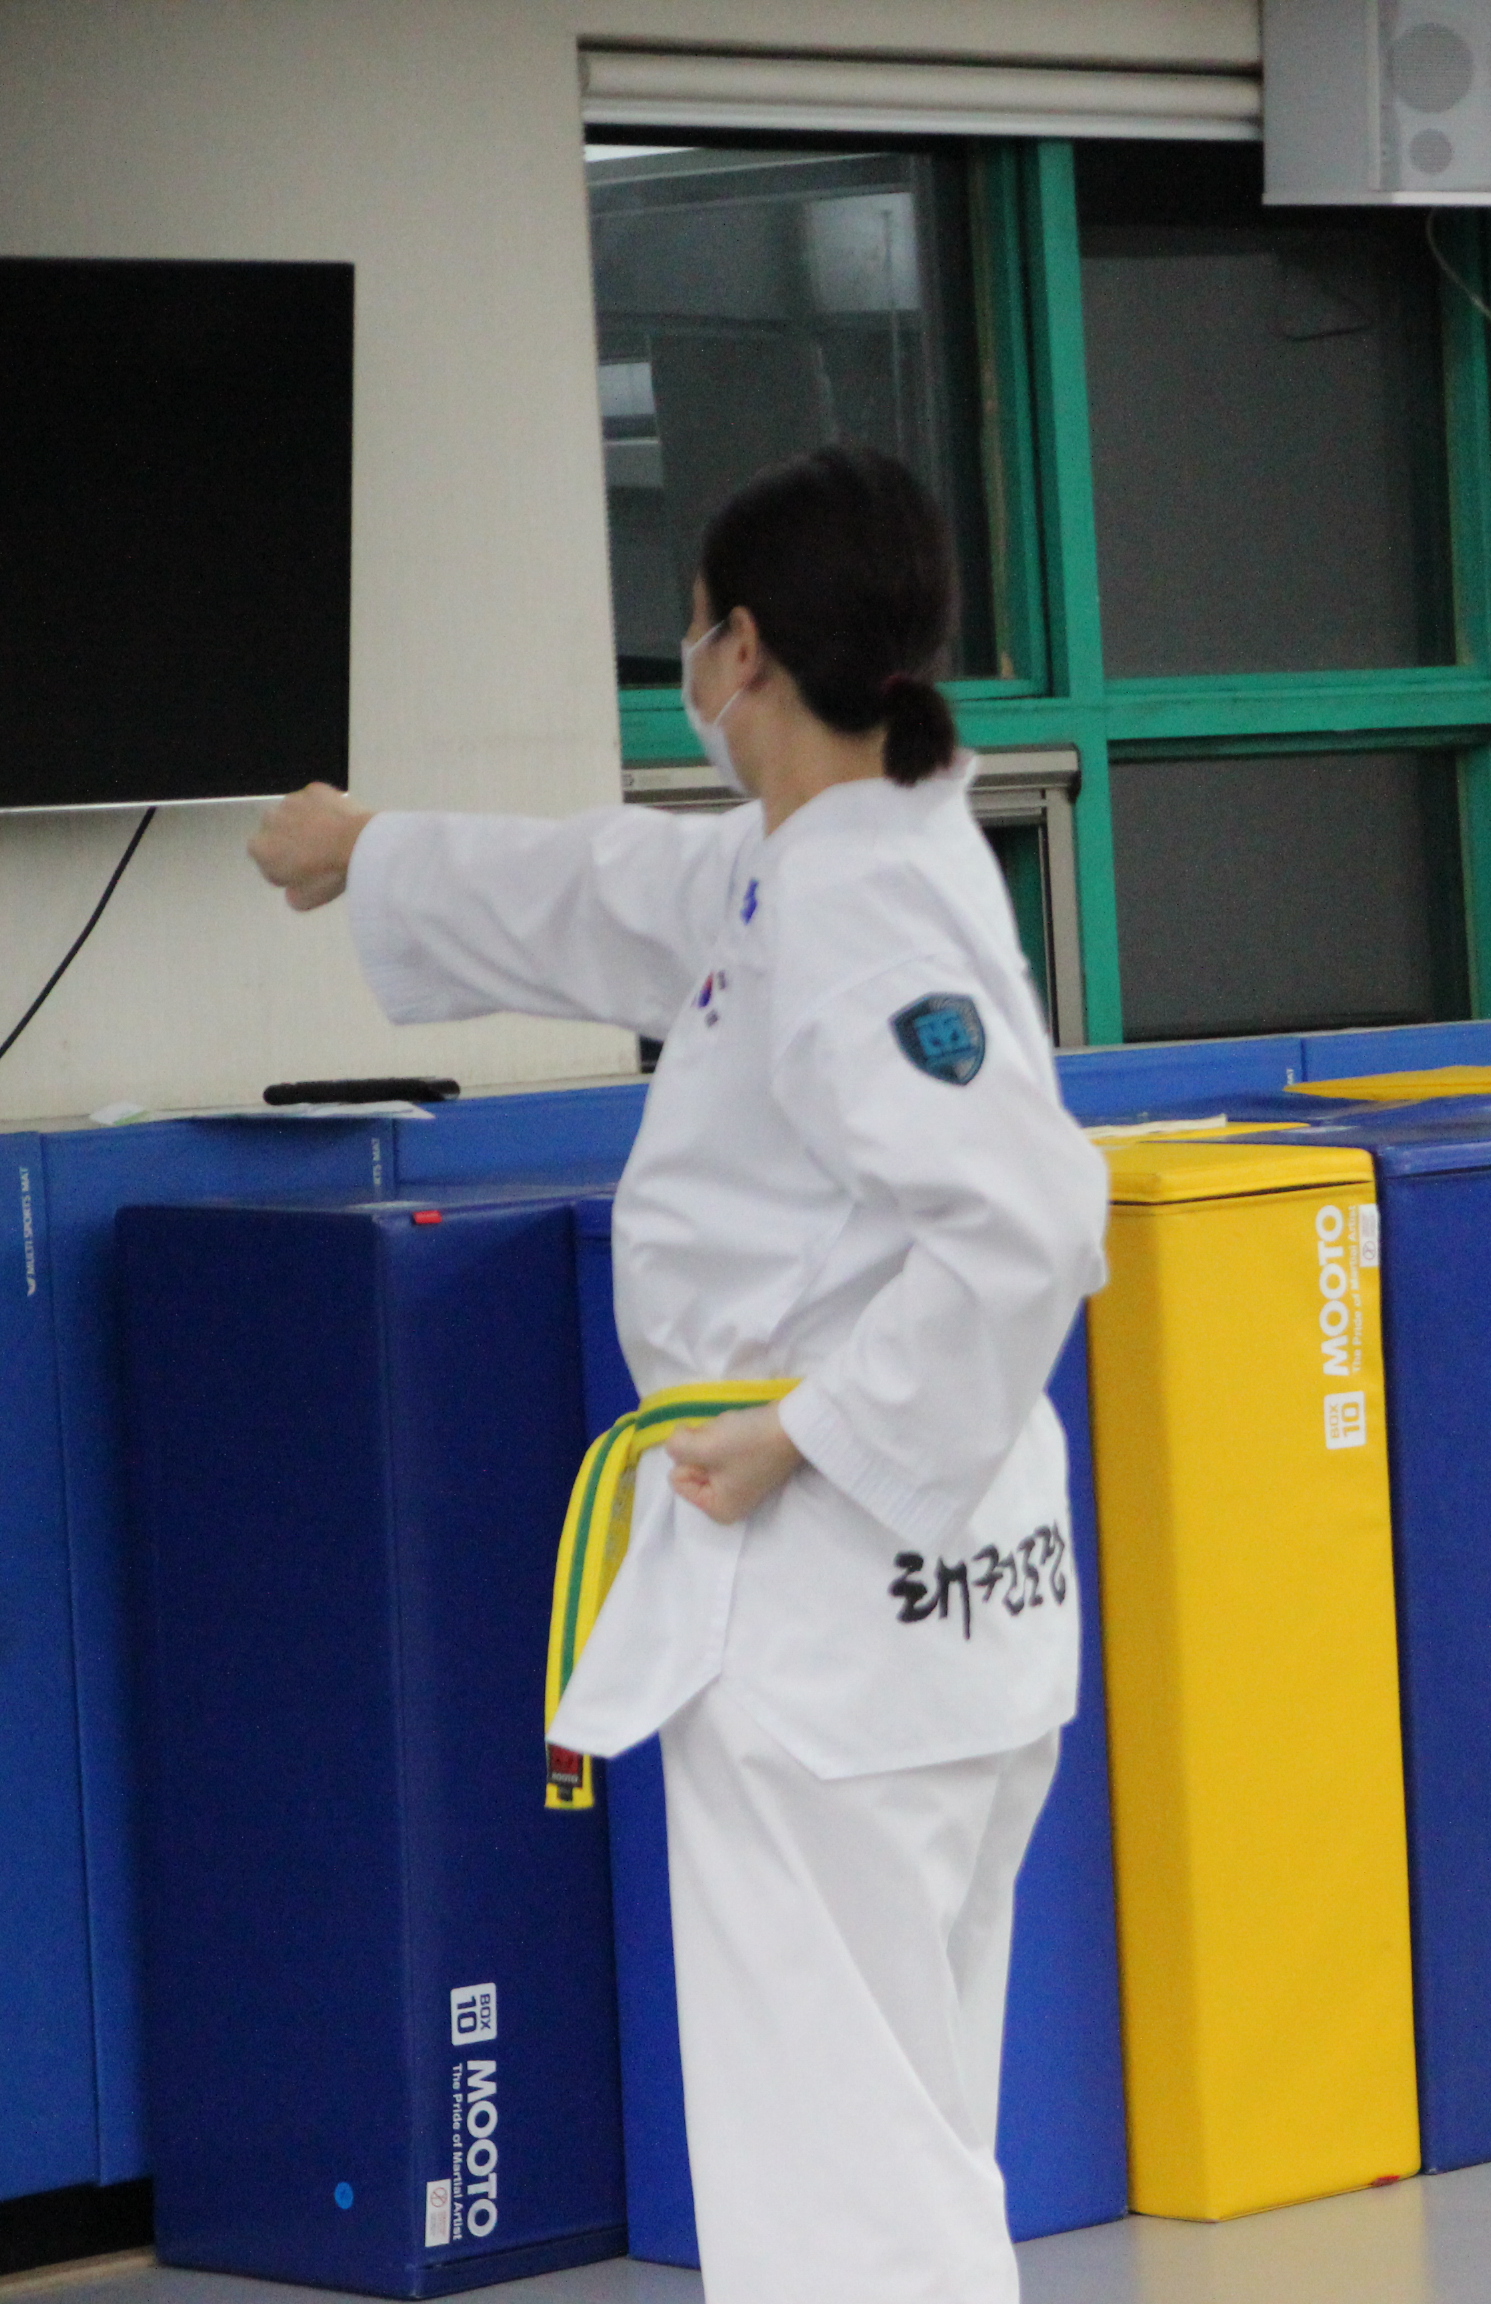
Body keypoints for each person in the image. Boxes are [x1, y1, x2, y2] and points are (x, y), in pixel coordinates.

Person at [251, 445, 1108, 2304]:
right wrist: (374, 851)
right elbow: (612, 886)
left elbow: (1030, 1224)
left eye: (696, 634)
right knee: (896, 2132)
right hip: (935, 1617)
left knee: (841, 2171)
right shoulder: (829, 855)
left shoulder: (860, 907)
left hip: (847, 1610)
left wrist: (806, 1435)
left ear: (742, 651)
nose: (691, 668)